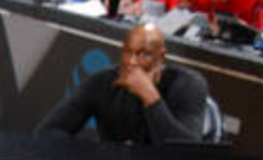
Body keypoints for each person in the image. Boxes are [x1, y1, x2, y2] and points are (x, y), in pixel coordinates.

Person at [41, 22, 220, 144]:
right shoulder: (103, 82)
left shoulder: (187, 85)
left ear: (161, 57)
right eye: (128, 52)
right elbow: (47, 132)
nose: (132, 62)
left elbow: (186, 156)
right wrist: (99, 155)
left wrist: (150, 97)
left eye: (144, 54)